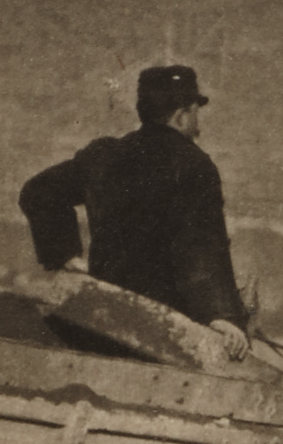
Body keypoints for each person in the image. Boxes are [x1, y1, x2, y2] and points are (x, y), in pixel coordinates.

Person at [19, 65, 250, 360]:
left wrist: (65, 256)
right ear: (181, 115)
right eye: (194, 111)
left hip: (102, 315)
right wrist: (223, 317)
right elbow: (202, 248)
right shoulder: (194, 165)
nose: (196, 122)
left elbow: (38, 192)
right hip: (165, 329)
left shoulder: (103, 155)